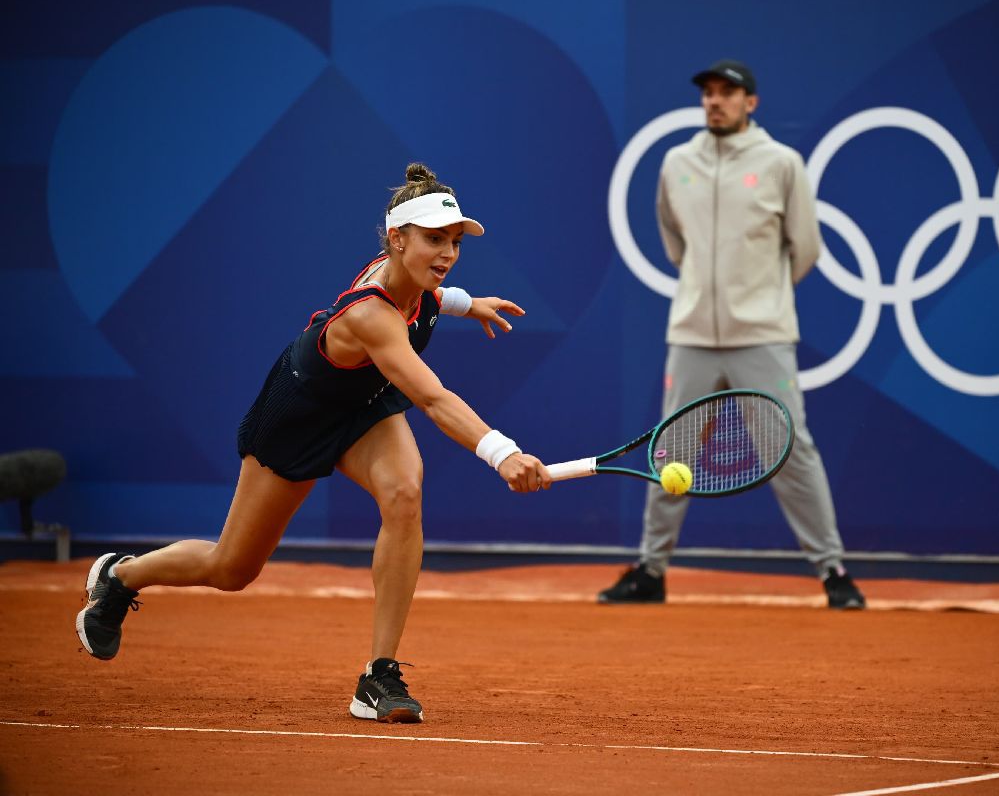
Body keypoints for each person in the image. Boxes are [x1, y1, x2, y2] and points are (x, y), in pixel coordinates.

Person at [75, 163, 553, 723]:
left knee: (404, 493)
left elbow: (429, 295)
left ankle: (379, 675)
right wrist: (503, 452)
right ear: (397, 240)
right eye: (432, 240)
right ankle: (121, 575)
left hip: (364, 406)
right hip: (297, 417)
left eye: (453, 242)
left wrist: (468, 304)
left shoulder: (412, 280)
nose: (446, 253)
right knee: (231, 569)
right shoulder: (372, 314)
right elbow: (433, 398)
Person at [598, 60, 865, 610]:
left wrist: (759, 296)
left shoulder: (782, 164)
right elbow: (675, 243)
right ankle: (650, 571)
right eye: (709, 93)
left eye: (728, 93)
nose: (715, 101)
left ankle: (833, 570)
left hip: (762, 333)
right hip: (692, 331)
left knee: (790, 451)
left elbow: (805, 247)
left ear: (752, 103)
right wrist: (706, 291)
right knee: (671, 451)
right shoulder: (677, 163)